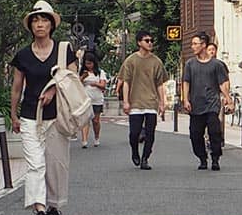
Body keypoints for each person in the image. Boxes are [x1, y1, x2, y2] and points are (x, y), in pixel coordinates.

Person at [11, 0, 75, 215]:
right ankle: (39, 210)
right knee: (35, 164)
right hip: (30, 115)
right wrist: (14, 115)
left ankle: (54, 208)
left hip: (57, 115)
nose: (39, 24)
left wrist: (53, 89)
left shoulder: (63, 50)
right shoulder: (23, 55)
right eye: (35, 20)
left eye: (44, 20)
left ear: (51, 25)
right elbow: (17, 87)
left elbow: (71, 79)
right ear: (30, 26)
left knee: (56, 165)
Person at [180, 32, 232, 170]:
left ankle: (215, 158)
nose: (192, 47)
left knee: (215, 132)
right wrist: (186, 99)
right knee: (195, 134)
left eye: (195, 44)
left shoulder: (216, 65)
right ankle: (202, 158)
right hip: (196, 104)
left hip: (212, 104)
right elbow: (186, 82)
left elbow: (222, 83)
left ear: (203, 45)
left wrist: (228, 99)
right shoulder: (190, 64)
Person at [117, 32, 169, 170]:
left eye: (152, 40)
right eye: (147, 40)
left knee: (150, 132)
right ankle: (135, 151)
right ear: (139, 42)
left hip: (151, 101)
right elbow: (126, 82)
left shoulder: (156, 61)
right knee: (134, 133)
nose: (150, 43)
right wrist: (126, 101)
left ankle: (145, 158)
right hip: (135, 102)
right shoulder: (131, 60)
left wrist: (162, 102)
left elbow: (159, 83)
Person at [78, 52, 109, 147]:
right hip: (85, 99)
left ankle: (96, 137)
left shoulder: (100, 72)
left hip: (97, 99)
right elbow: (76, 84)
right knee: (85, 120)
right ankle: (84, 140)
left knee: (95, 120)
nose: (88, 66)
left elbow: (103, 86)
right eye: (87, 64)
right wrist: (83, 77)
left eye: (90, 63)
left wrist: (95, 84)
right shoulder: (82, 72)